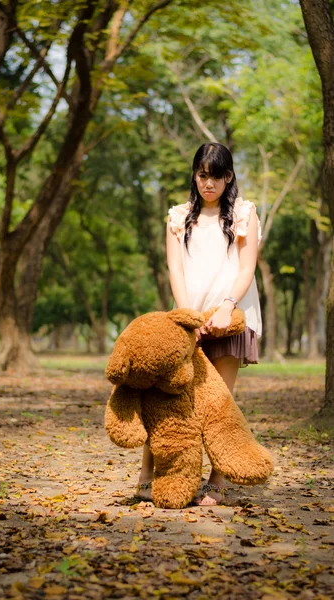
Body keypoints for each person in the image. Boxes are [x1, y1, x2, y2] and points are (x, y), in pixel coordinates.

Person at [136, 142, 262, 506]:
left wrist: (226, 307)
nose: (209, 183)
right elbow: (175, 268)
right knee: (166, 399)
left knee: (219, 404)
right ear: (195, 175)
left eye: (217, 176)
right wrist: (187, 317)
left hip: (230, 319)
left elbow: (247, 267)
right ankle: (148, 476)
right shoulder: (178, 216)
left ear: (229, 176)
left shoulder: (243, 213)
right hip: (187, 321)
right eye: (203, 175)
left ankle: (217, 482)